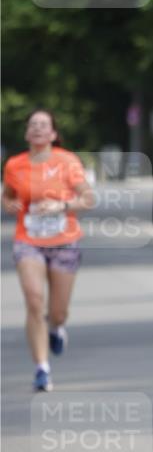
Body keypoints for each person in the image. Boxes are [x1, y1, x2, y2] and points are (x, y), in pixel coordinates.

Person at [1, 110, 95, 392]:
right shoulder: (14, 165)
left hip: (64, 240)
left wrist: (60, 206)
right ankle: (42, 368)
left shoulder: (67, 161)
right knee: (33, 300)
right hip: (27, 239)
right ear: (27, 133)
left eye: (44, 125)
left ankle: (56, 328)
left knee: (57, 312)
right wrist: (9, 204)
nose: (38, 129)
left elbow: (88, 198)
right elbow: (8, 195)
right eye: (33, 125)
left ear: (53, 134)